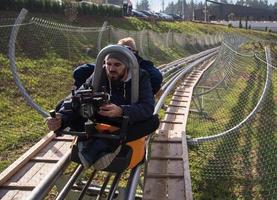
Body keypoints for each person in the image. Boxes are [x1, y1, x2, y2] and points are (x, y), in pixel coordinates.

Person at [47, 48, 159, 169]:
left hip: (124, 121)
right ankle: (96, 144)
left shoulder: (141, 77)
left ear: (126, 66)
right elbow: (78, 96)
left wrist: (122, 110)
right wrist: (61, 118)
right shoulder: (99, 73)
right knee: (62, 106)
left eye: (117, 65)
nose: (111, 69)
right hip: (100, 117)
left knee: (153, 121)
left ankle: (101, 144)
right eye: (108, 64)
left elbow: (147, 107)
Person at [73, 37, 163, 95]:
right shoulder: (106, 67)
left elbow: (156, 77)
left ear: (134, 53)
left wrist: (143, 94)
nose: (112, 68)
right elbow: (81, 71)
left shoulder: (142, 69)